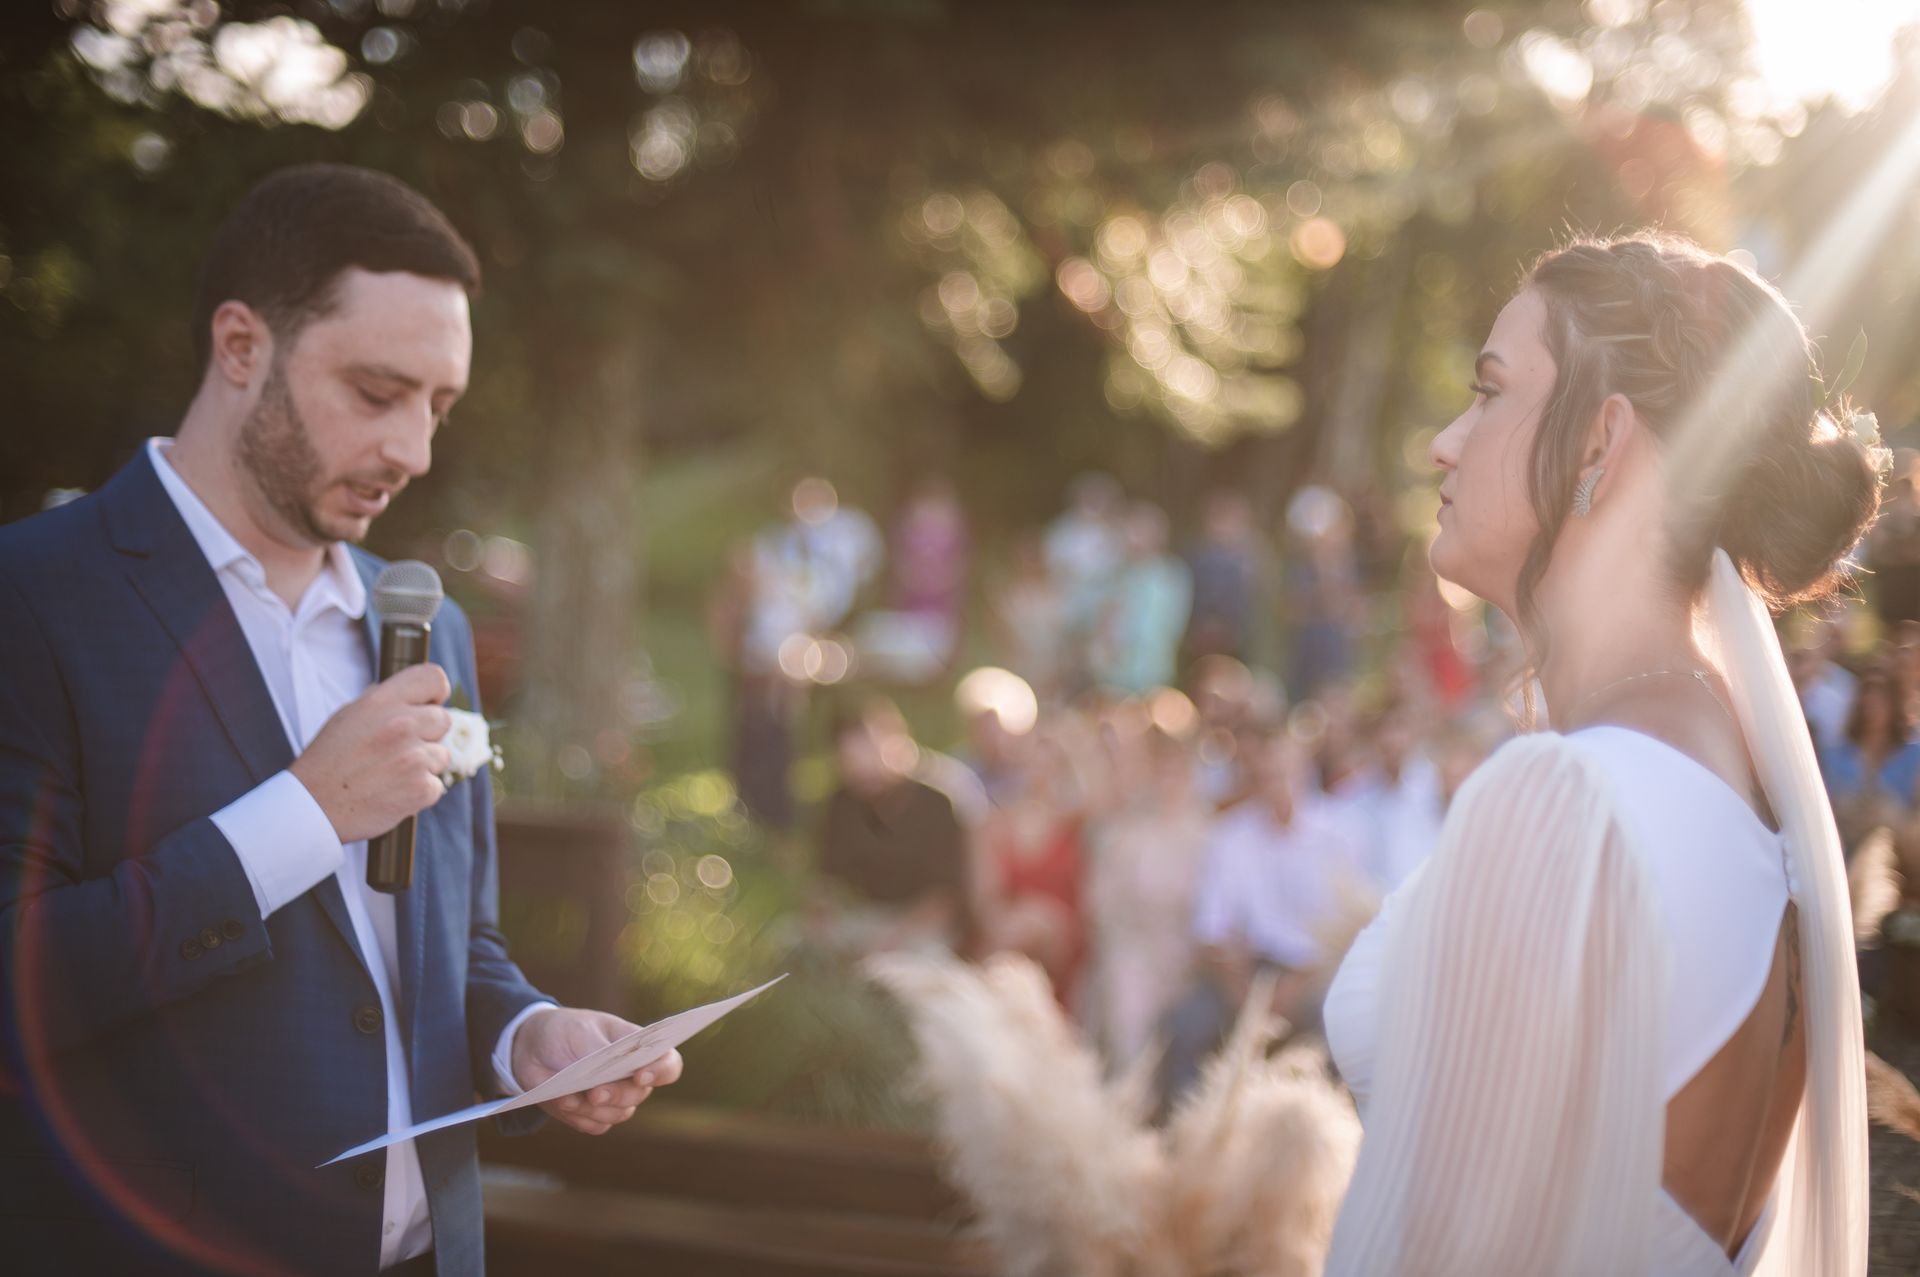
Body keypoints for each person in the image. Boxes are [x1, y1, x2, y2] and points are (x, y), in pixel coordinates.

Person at [0, 165, 683, 1277]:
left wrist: (527, 1037)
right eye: (377, 392)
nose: (414, 451)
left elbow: (454, 945)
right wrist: (304, 814)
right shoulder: (31, 598)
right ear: (241, 346)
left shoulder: (425, 622)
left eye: (438, 407)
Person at [1322, 233, 1875, 1273]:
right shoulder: (1739, 793)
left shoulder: (1568, 803)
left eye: (1489, 392)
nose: (1444, 442)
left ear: (1597, 442)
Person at [1157, 727, 1365, 1105]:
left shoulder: (1339, 833)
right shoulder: (1231, 836)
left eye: (1284, 774)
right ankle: (1188, 1128)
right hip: (1249, 971)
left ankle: (1341, 1128)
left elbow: (1344, 928)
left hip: (1315, 973)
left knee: (1341, 1029)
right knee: (1184, 1026)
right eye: (1266, 776)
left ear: (1304, 773)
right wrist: (1243, 991)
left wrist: (1292, 989)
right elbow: (1211, 927)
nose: (1276, 785)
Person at [1083, 723, 1213, 1070]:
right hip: (1134, 950)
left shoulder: (1207, 835)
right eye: (1161, 771)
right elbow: (1101, 904)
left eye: (1175, 772)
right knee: (1127, 1017)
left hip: (1190, 955)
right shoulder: (1123, 833)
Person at [811, 701, 972, 959]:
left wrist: (894, 940)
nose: (863, 768)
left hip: (920, 927)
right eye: (852, 759)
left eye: (871, 753)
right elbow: (826, 881)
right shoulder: (841, 804)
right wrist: (819, 919)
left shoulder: (938, 804)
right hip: (865, 918)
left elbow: (945, 898)